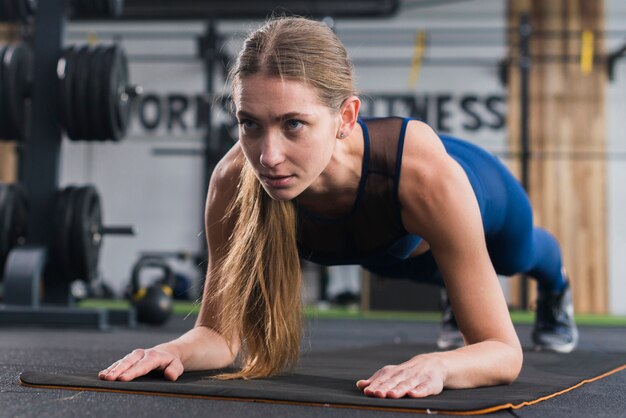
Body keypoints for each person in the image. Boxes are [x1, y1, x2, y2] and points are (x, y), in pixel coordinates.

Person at [98, 16, 578, 399]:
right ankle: (455, 291)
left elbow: (502, 352)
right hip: (397, 252)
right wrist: (172, 349)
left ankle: (557, 290)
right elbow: (220, 337)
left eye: (293, 125)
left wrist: (439, 365)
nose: (268, 156)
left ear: (345, 117)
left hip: (478, 193)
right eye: (250, 124)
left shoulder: (424, 178)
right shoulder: (233, 182)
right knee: (433, 272)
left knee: (517, 256)